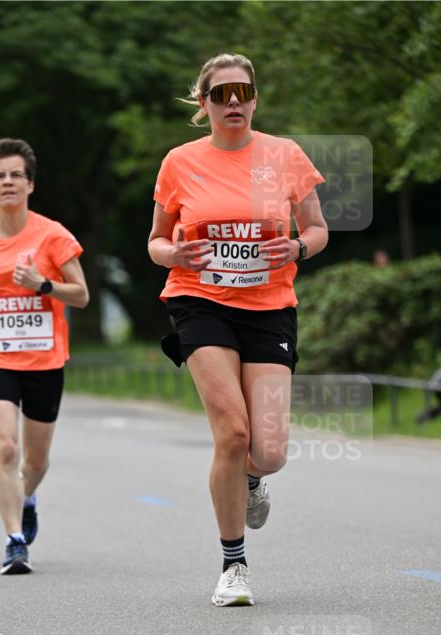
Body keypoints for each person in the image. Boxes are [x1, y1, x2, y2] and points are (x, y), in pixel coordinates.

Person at [148, 53, 328, 606]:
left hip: (269, 305)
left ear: (254, 99)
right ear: (202, 104)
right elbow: (155, 244)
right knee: (232, 432)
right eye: (221, 93)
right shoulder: (179, 162)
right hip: (200, 301)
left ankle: (252, 480)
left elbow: (318, 229)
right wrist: (176, 251)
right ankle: (233, 565)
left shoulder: (285, 156)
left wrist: (296, 246)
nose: (233, 103)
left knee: (268, 449)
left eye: (242, 92)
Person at [0, 138, 89, 575]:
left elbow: (82, 295)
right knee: (5, 445)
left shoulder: (53, 235)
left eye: (16, 175)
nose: (8, 182)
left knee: (34, 460)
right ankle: (15, 541)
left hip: (45, 360)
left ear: (30, 184)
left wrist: (42, 285)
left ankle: (27, 497)